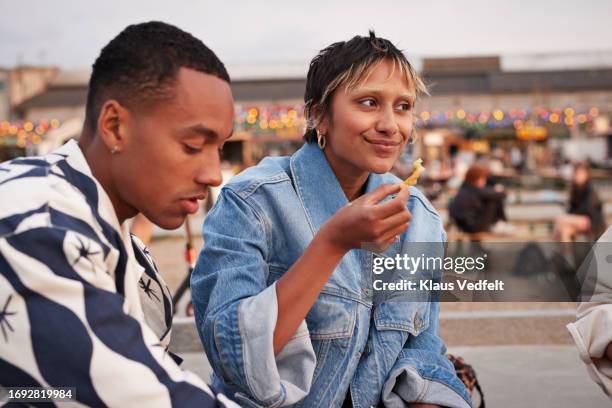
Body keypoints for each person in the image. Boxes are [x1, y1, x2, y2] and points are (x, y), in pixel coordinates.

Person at [191, 32, 470, 407]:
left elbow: (421, 345)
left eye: (403, 106)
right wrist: (332, 243)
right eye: (369, 103)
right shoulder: (252, 202)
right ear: (318, 114)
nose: (391, 125)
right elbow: (231, 358)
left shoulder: (420, 217)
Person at [0, 22, 238, 407]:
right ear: (114, 126)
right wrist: (329, 246)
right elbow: (148, 397)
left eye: (220, 149)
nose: (213, 174)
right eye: (194, 145)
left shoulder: (120, 240)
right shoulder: (34, 222)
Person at [554, 162, 605, 242]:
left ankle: (554, 249)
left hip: (593, 223)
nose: (577, 176)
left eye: (580, 174)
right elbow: (571, 208)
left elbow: (589, 210)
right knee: (565, 230)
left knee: (560, 219)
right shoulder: (575, 190)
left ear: (586, 175)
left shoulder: (590, 190)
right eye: (576, 174)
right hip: (581, 221)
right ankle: (566, 254)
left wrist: (570, 217)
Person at [449, 164, 507, 234]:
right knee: (493, 200)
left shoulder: (465, 188)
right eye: (483, 178)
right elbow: (501, 194)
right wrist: (499, 189)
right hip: (471, 226)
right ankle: (500, 223)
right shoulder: (474, 189)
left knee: (490, 197)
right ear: (476, 179)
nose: (484, 181)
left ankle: (499, 223)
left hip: (461, 224)